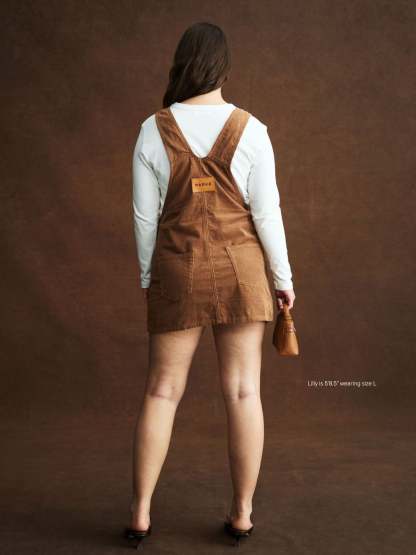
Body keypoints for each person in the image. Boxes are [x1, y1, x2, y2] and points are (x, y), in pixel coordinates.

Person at [125, 21, 296, 548]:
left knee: (162, 390)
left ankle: (140, 513)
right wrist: (283, 279)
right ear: (223, 68)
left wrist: (150, 276)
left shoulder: (152, 129)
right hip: (243, 271)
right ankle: (242, 514)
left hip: (178, 267)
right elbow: (267, 214)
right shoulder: (252, 129)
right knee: (243, 391)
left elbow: (144, 218)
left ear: (181, 64)